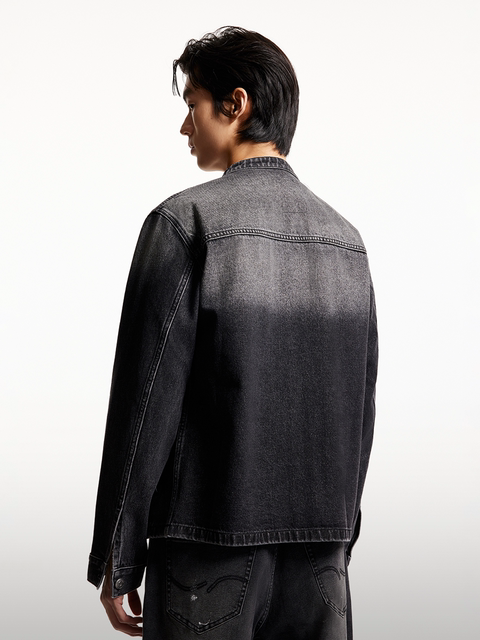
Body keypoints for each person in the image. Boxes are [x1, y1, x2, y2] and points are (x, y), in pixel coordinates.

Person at [88, 26, 378, 640]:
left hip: (205, 553)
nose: (184, 125)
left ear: (235, 104)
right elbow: (361, 413)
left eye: (192, 103)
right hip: (322, 563)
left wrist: (116, 555)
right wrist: (339, 541)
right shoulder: (347, 241)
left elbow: (145, 403)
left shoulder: (184, 222)